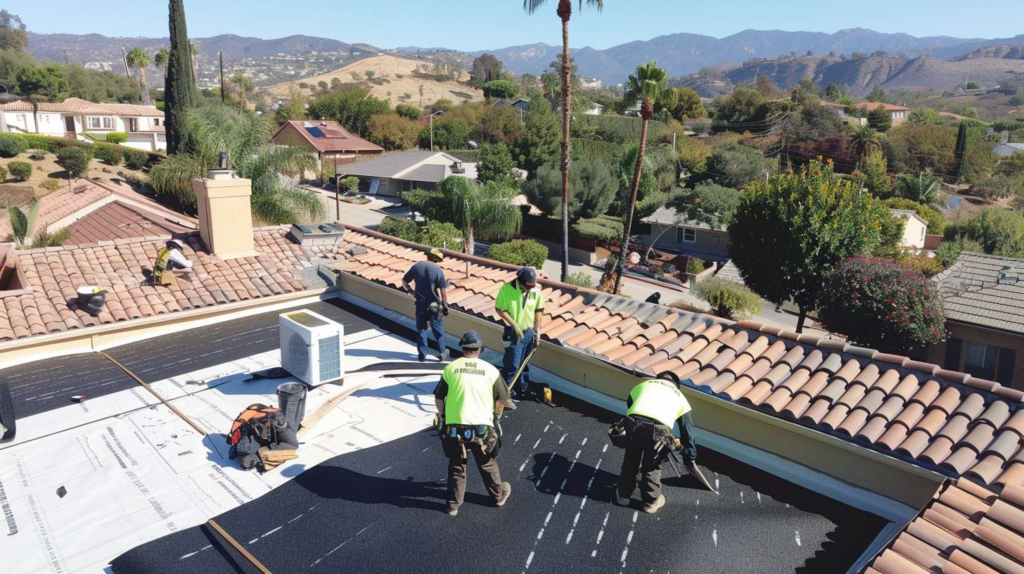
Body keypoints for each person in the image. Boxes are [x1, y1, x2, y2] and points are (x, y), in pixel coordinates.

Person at [434, 330, 512, 517]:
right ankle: (498, 496)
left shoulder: (451, 369)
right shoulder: (491, 371)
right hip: (481, 429)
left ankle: (453, 505)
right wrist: (496, 418)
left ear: (463, 348)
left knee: (457, 465)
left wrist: (443, 417)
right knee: (486, 462)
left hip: (454, 428)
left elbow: (439, 397)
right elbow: (501, 401)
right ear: (480, 349)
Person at [616, 376, 699, 515]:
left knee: (631, 459)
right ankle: (650, 503)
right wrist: (690, 454)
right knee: (652, 465)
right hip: (659, 431)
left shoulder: (644, 384)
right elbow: (688, 430)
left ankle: (623, 495)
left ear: (659, 379)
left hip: (634, 423)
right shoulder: (679, 396)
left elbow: (630, 404)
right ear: (676, 385)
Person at [495, 266, 544, 405]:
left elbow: (538, 309)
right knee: (513, 365)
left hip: (529, 332)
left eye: (532, 285)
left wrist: (537, 330)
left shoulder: (536, 290)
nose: (530, 288)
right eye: (528, 286)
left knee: (523, 364)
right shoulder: (507, 289)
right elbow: (500, 309)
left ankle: (519, 389)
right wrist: (514, 325)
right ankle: (504, 396)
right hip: (513, 334)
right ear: (520, 281)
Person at [402, 249, 450, 362]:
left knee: (421, 329)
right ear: (436, 259)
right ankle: (443, 352)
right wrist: (445, 306)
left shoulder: (416, 267)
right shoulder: (438, 271)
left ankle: (422, 354)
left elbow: (404, 281)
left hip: (420, 304)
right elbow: (443, 293)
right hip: (434, 306)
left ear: (427, 256)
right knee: (437, 328)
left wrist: (411, 291)